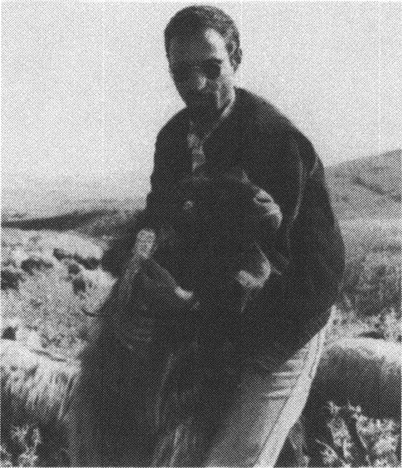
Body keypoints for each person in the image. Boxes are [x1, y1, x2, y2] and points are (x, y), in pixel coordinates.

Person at [105, 5, 345, 466]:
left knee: (231, 460)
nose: (195, 84)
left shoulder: (274, 141)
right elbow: (160, 216)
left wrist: (189, 304)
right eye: (181, 72)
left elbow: (271, 264)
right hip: (214, 305)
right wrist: (137, 277)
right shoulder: (174, 139)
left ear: (235, 58)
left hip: (286, 314)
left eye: (211, 67)